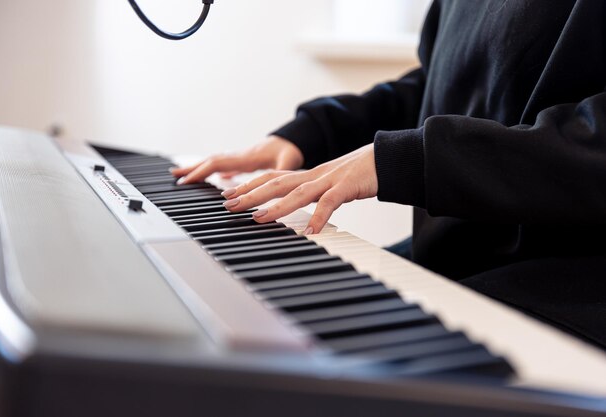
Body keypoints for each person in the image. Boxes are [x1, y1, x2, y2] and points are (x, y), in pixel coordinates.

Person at [171, 0, 606, 349]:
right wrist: (312, 135)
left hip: (571, 285)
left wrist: (400, 160)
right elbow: (441, 85)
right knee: (262, 312)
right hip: (456, 257)